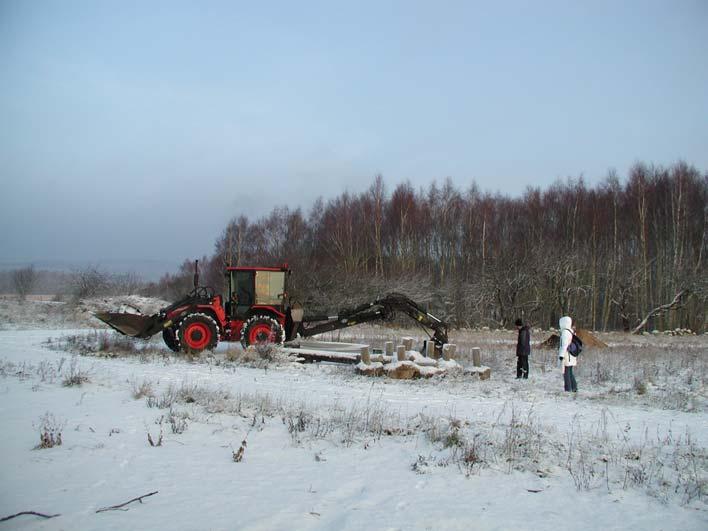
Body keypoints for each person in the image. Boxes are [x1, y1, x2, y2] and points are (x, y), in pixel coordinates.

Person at [558, 316, 577, 392]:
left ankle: (568, 389)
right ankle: (574, 387)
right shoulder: (571, 331)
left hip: (567, 356)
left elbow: (564, 345)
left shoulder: (565, 332)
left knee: (566, 373)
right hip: (571, 356)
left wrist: (561, 355)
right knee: (569, 372)